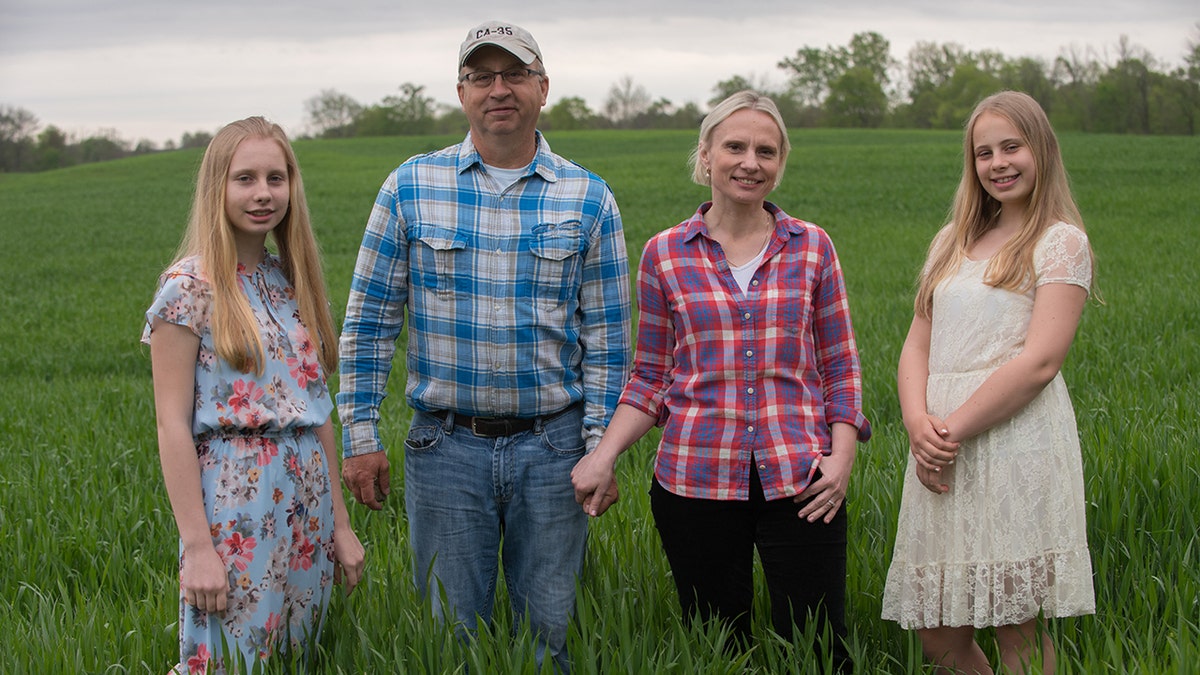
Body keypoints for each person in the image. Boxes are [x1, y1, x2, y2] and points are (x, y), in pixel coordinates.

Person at [336, 20, 631, 672]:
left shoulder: (588, 196)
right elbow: (368, 321)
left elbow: (610, 340)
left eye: (515, 74)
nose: (499, 89)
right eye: (482, 76)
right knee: (450, 638)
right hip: (445, 449)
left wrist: (601, 447)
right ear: (462, 91)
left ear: (542, 87)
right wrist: (358, 434)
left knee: (550, 634)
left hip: (555, 449)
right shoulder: (410, 187)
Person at [571, 90, 871, 671]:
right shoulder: (665, 254)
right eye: (735, 146)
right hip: (695, 481)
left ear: (780, 162)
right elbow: (651, 377)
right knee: (717, 650)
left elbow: (841, 364)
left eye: (767, 150)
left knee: (816, 650)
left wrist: (840, 463)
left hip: (803, 481)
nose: (750, 162)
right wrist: (603, 455)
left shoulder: (812, 247)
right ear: (706, 155)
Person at [880, 90, 1097, 674]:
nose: (998, 163)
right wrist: (917, 424)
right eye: (984, 153)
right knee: (936, 632)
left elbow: (1040, 363)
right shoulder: (951, 240)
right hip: (939, 444)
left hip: (1012, 442)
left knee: (1015, 626)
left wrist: (946, 432)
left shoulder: (1060, 242)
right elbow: (917, 342)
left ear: (1041, 150)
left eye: (1011, 147)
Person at [143, 116, 365, 674]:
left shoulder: (288, 282)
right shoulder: (189, 288)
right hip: (236, 499)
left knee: (296, 656)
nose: (263, 193)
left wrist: (340, 524)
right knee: (226, 661)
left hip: (306, 495)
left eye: (275, 177)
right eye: (245, 178)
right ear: (217, 187)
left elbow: (316, 413)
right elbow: (171, 424)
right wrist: (196, 547)